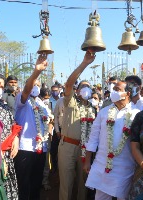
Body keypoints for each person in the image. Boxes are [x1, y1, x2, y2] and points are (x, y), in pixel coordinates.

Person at [83, 81, 139, 200]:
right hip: (102, 164)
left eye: (117, 89)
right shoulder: (104, 112)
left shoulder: (136, 114)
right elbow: (93, 137)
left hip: (124, 168)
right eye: (113, 89)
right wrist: (87, 160)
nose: (114, 91)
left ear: (127, 93)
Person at [58, 51, 96, 200]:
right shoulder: (70, 101)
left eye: (88, 87)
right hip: (68, 146)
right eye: (82, 86)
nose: (85, 89)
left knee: (83, 184)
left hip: (85, 149)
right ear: (77, 90)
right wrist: (85, 63)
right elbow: (69, 83)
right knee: (66, 184)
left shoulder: (93, 108)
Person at [14, 54, 50, 200]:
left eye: (38, 85)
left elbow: (48, 122)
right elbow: (27, 90)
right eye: (33, 84)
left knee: (36, 183)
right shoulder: (22, 100)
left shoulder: (42, 104)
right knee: (24, 184)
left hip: (41, 148)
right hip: (25, 148)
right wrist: (37, 71)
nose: (35, 87)